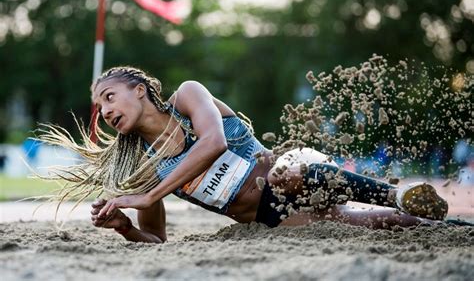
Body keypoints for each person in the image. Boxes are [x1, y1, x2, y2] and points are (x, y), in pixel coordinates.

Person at [40, 66, 452, 244]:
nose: (107, 111)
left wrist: (149, 197)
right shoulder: (148, 170)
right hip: (270, 216)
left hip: (294, 169)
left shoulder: (188, 95)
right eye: (100, 107)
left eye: (110, 97)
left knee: (280, 174)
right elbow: (157, 240)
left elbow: (214, 143)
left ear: (139, 91)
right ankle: (435, 218)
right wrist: (126, 228)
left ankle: (396, 192)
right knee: (391, 225)